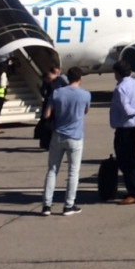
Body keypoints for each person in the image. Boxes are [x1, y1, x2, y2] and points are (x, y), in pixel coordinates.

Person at [41, 66, 91, 216]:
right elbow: (86, 111)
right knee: (73, 172)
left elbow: (46, 114)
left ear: (67, 78)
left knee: (52, 170)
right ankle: (68, 205)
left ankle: (46, 205)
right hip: (75, 136)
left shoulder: (57, 93)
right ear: (80, 78)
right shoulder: (85, 95)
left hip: (58, 135)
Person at [109, 59, 135, 205]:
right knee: (133, 161)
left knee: (127, 162)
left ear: (118, 73)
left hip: (125, 128)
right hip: (133, 127)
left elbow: (127, 110)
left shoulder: (121, 88)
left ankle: (134, 192)